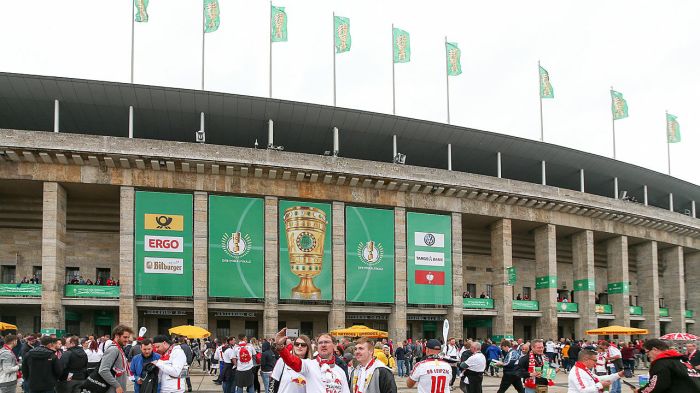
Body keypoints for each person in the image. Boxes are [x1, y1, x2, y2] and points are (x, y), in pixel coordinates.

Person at [275, 329, 350, 392]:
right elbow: (292, 361)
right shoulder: (309, 365)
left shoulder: (341, 371)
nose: (323, 345)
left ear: (334, 346)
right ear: (317, 347)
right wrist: (280, 347)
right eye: (320, 343)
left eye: (326, 342)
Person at [100, 325, 133, 393]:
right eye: (125, 337)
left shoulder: (119, 348)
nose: (127, 340)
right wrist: (117, 385)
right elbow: (103, 370)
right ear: (117, 336)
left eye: (128, 337)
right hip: (113, 390)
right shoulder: (113, 349)